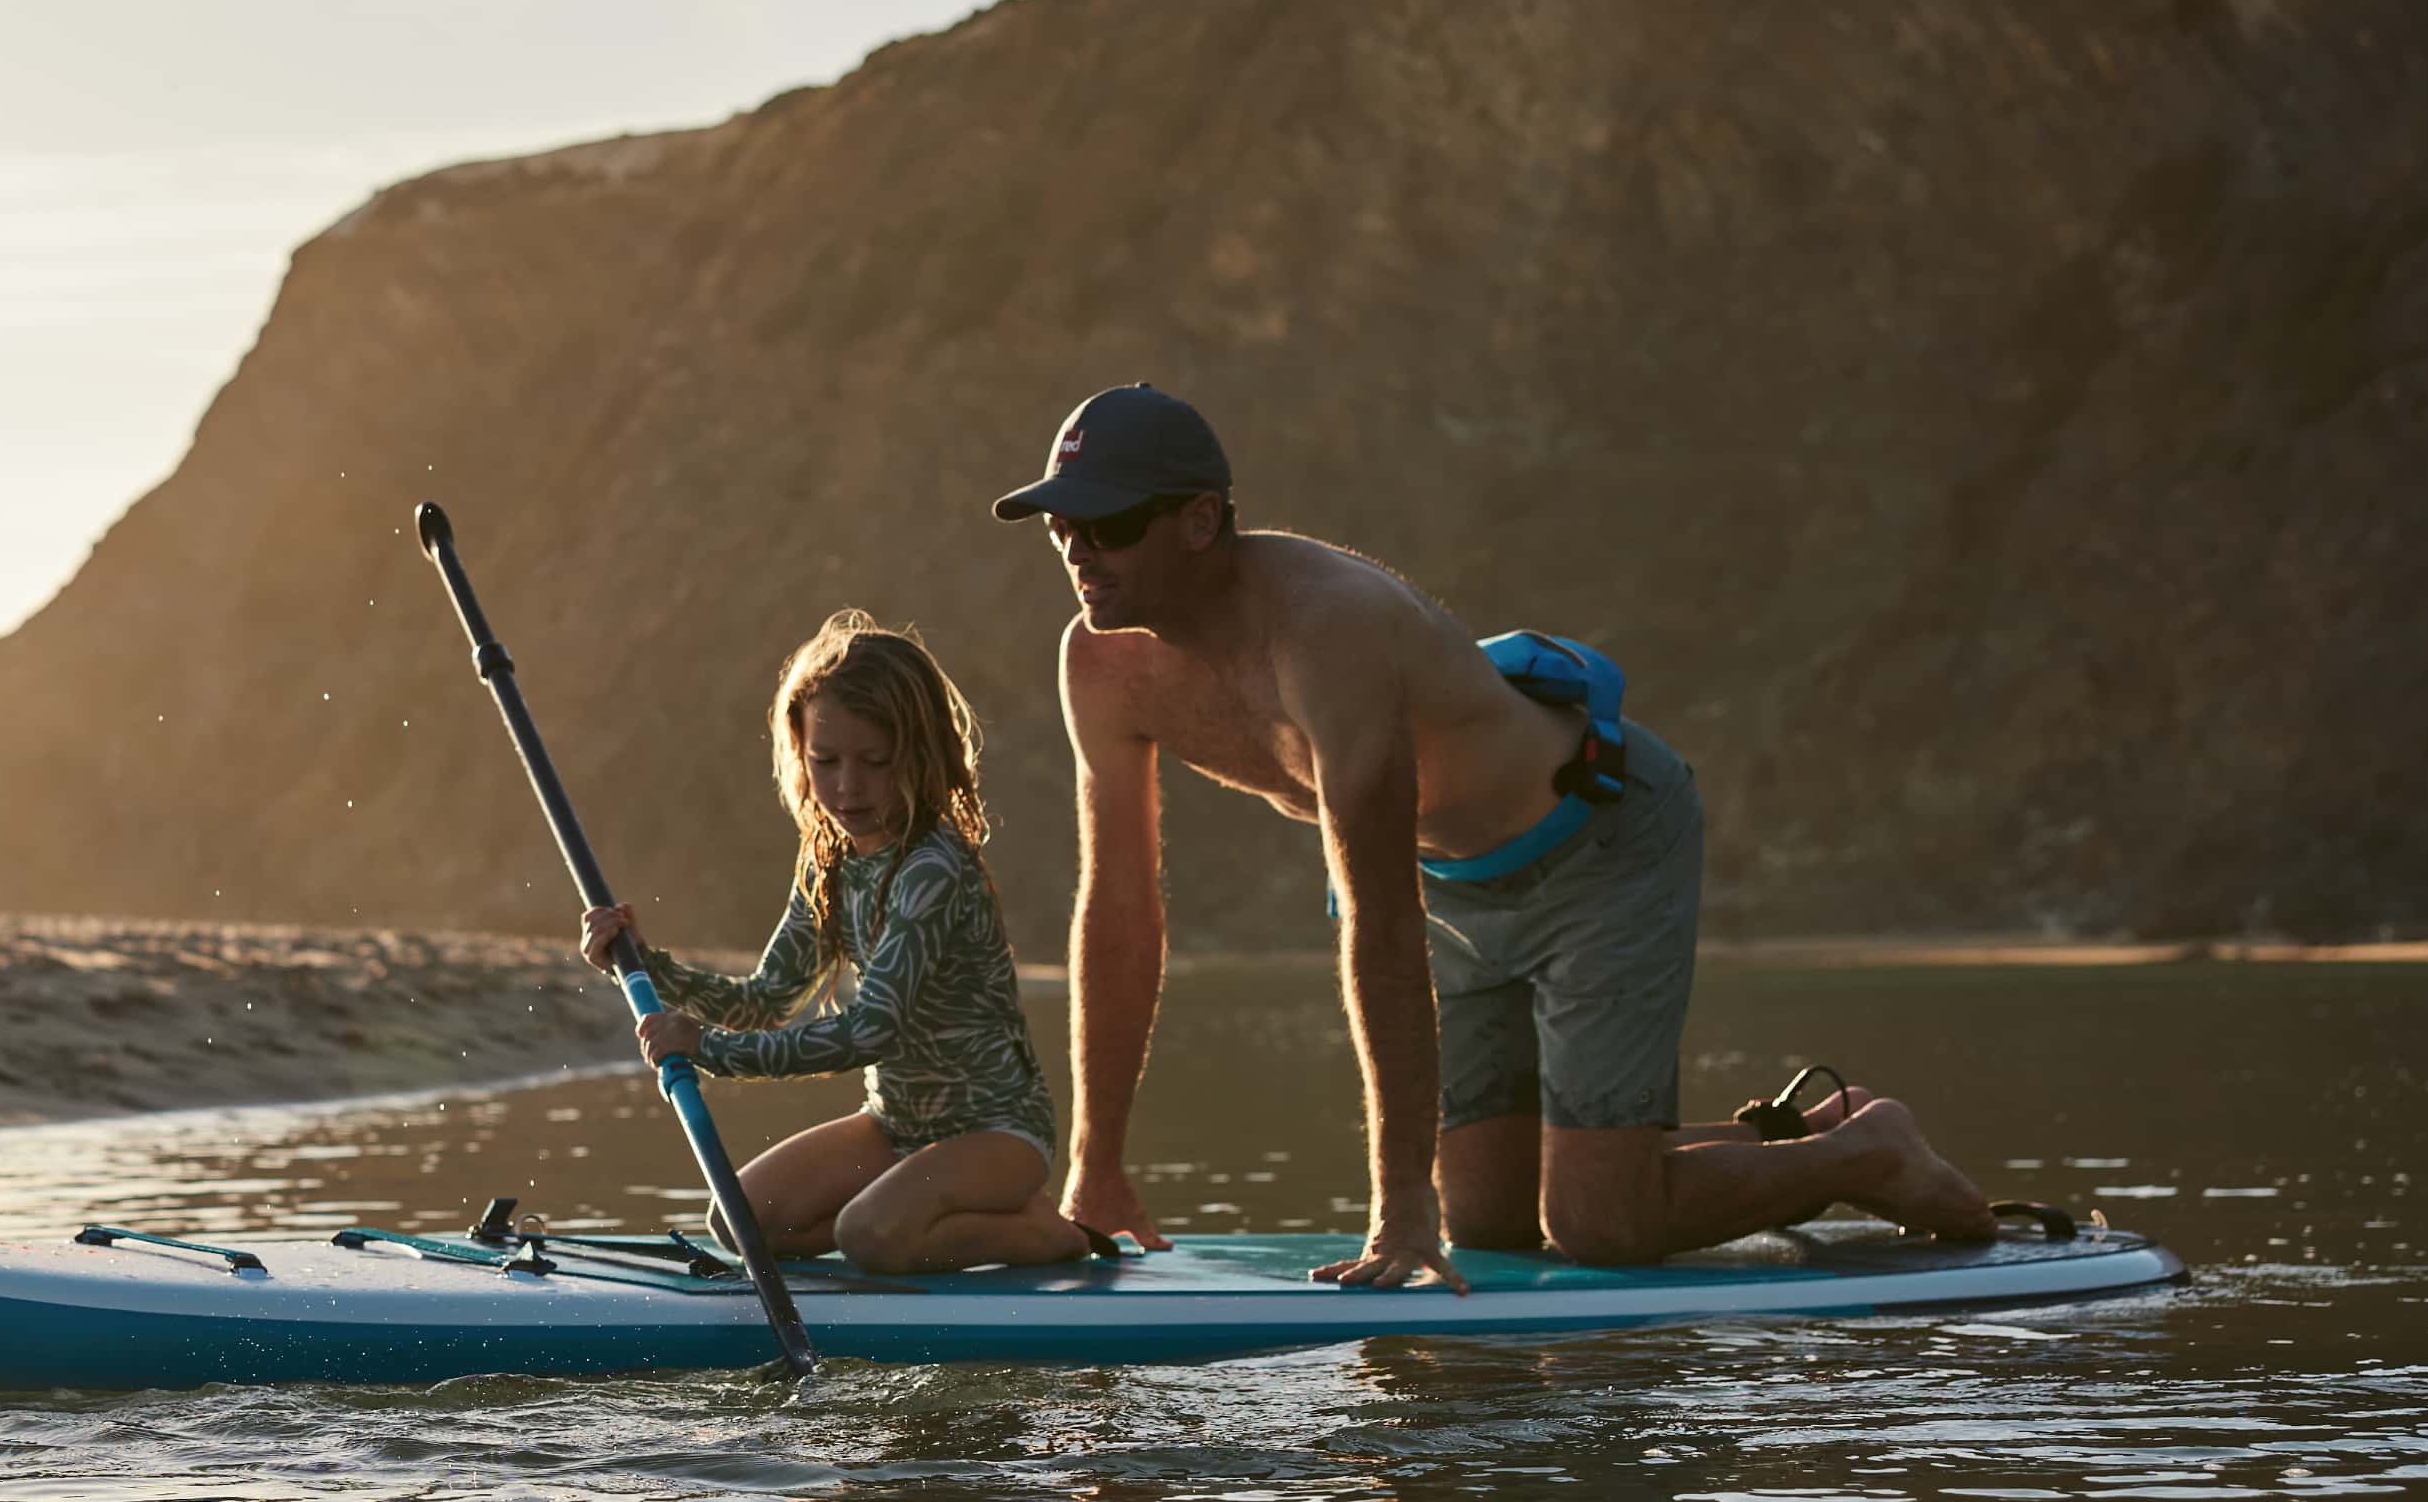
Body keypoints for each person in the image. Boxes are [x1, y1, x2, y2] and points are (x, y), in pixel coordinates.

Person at [1004, 383, 1996, 1289]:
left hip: (1596, 845)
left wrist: (1395, 1207)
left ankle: (1869, 1154)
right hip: (1453, 881)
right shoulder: (1100, 666)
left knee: (1599, 1225)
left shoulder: (1325, 630)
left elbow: (1380, 919)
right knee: (1489, 1218)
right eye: (1061, 530)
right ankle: (1805, 1130)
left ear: (1200, 521)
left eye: (1110, 525)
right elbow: (1121, 911)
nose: (1080, 553)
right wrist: (1097, 1161)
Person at [579, 611, 1088, 1276]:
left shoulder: (933, 867)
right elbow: (765, 1001)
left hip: (996, 1133)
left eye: (876, 762)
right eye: (825, 760)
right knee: (740, 1221)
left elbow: (870, 1031)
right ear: (799, 752)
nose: (848, 787)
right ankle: (914, 1218)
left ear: (920, 755)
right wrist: (640, 965)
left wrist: (710, 1051)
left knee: (869, 1236)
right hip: (896, 1126)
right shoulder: (828, 860)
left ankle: (1047, 1233)